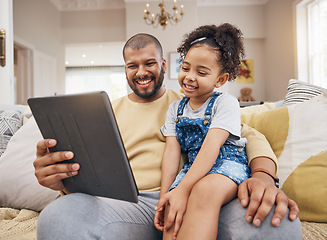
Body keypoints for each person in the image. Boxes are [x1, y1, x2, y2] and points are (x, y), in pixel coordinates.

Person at [34, 31, 301, 240]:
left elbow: (249, 137)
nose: (141, 72)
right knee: (58, 218)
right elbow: (85, 173)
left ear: (163, 64)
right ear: (124, 69)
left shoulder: (194, 102)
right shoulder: (102, 113)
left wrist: (263, 176)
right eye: (132, 66)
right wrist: (60, 180)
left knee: (276, 223)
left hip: (191, 199)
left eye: (149, 63)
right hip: (124, 206)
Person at [154, 23, 251, 240]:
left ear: (220, 79)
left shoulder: (225, 103)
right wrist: (166, 195)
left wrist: (184, 188)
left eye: (201, 72)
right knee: (172, 206)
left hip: (225, 163)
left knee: (204, 191)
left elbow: (211, 148)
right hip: (192, 168)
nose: (189, 76)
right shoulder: (174, 109)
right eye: (185, 68)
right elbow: (171, 153)